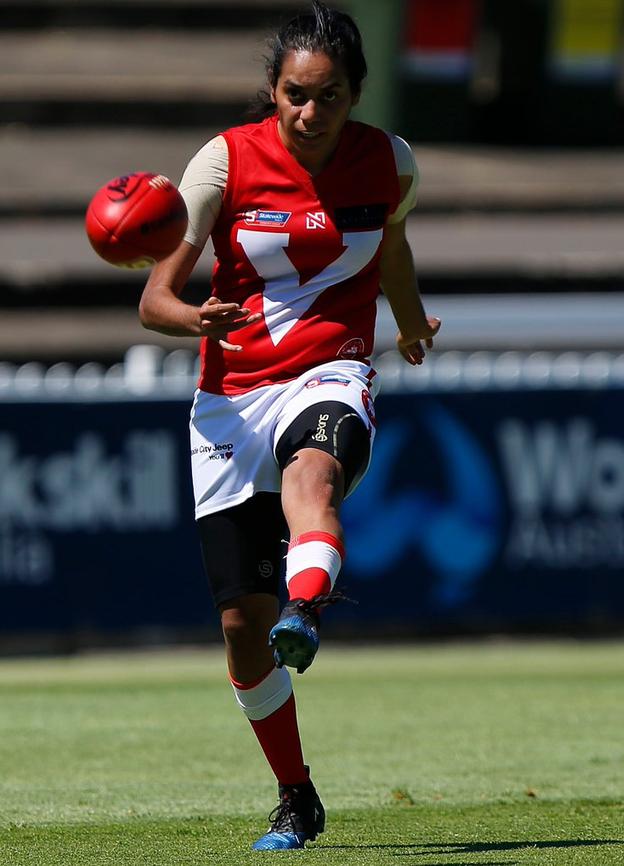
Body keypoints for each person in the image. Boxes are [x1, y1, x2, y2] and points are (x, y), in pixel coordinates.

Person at [139, 0, 440, 851]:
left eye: (331, 96)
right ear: (272, 91)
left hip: (330, 369)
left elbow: (392, 246)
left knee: (315, 477)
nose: (312, 114)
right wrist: (190, 316)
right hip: (230, 397)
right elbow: (154, 296)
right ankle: (297, 794)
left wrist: (411, 326)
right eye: (296, 96)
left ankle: (305, 611)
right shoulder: (224, 162)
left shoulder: (392, 162)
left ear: (356, 93)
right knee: (240, 630)